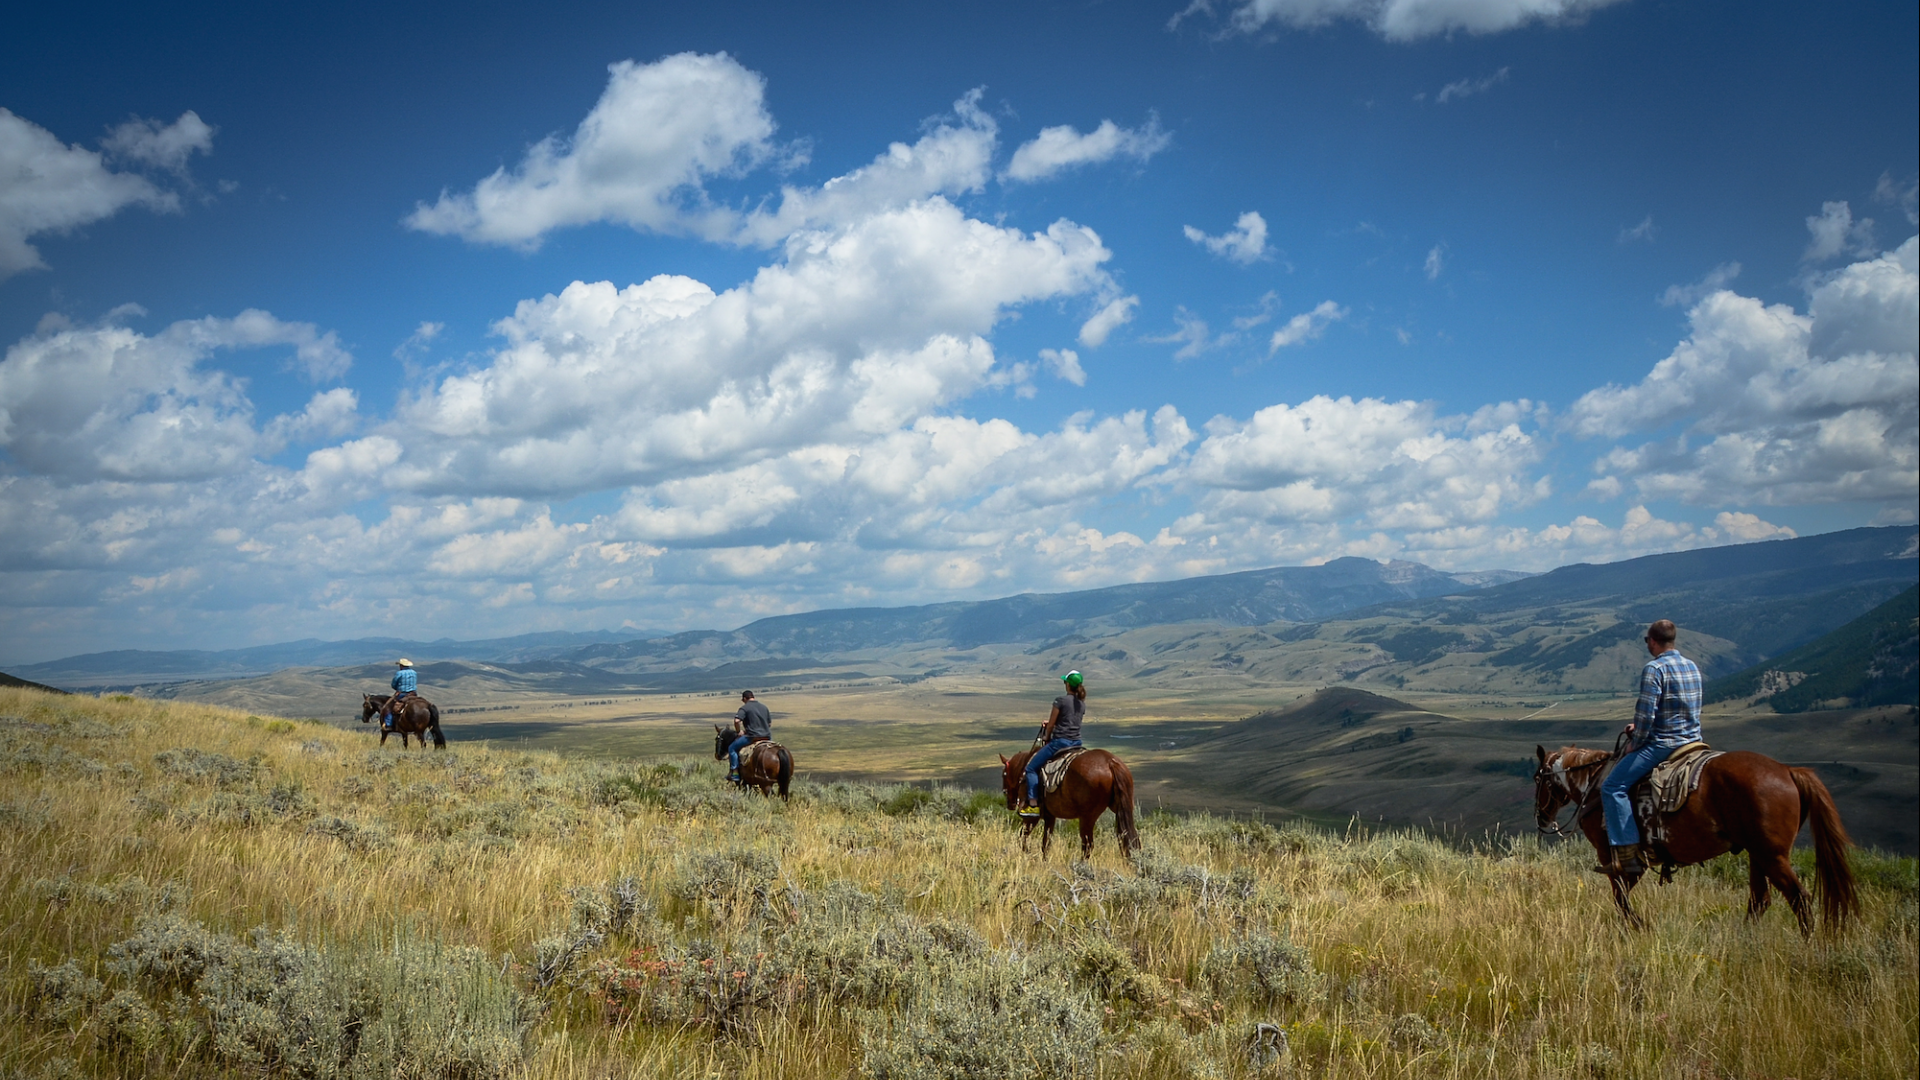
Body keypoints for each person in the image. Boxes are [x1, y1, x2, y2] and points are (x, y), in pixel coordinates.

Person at [1595, 620, 1703, 876]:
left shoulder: (1654, 669)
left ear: (1653, 641)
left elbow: (1645, 717)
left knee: (1612, 786)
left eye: (1647, 641)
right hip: (1695, 742)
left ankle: (1627, 854)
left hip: (1664, 744)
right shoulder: (1692, 665)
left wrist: (1636, 740)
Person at [1020, 670, 1087, 820]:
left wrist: (1047, 735)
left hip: (1060, 743)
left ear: (1068, 684)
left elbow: (1051, 726)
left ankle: (1033, 804)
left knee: (1030, 768)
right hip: (1077, 743)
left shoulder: (1060, 701)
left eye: (1065, 682)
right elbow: (1069, 722)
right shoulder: (1082, 704)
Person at [727, 690, 772, 785]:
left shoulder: (744, 708)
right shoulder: (764, 707)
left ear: (744, 699)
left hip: (752, 737)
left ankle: (735, 773)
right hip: (767, 737)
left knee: (732, 748)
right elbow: (769, 724)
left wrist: (739, 731)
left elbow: (736, 721)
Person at [380, 658, 418, 731]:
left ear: (401, 666)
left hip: (402, 694)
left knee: (388, 707)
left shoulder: (399, 673)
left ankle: (388, 725)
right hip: (413, 694)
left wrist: (397, 688)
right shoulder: (414, 672)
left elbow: (394, 684)